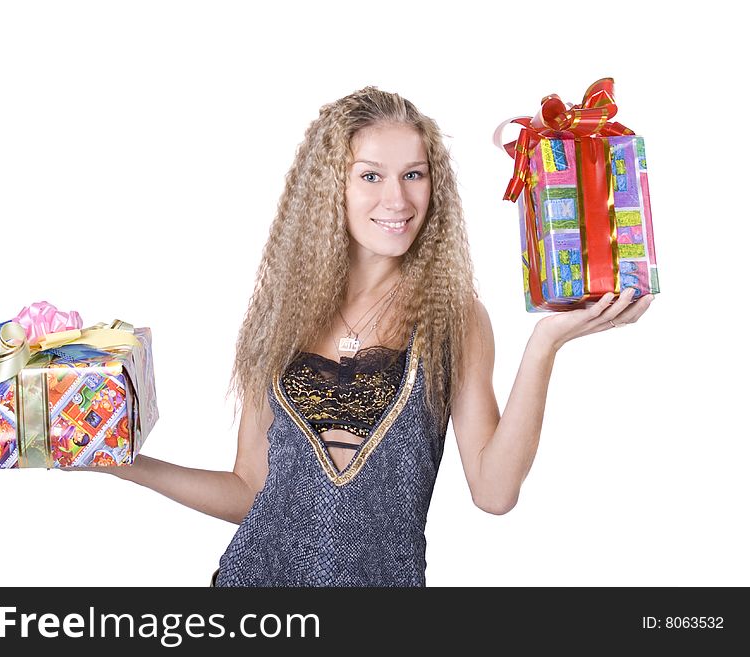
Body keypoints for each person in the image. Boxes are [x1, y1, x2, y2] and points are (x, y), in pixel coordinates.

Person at [80, 86, 654, 586]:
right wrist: (125, 465)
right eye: (371, 176)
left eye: (413, 174)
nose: (397, 200)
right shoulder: (279, 314)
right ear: (332, 186)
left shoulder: (453, 317)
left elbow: (495, 492)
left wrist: (545, 345)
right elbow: (251, 490)